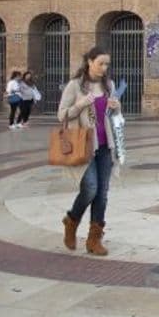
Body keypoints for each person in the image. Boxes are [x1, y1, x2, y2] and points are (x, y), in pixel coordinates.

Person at [58, 47, 121, 256]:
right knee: (91, 189)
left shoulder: (108, 85)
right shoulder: (75, 86)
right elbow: (62, 115)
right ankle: (72, 220)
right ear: (89, 62)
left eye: (107, 64)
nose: (104, 67)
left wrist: (117, 107)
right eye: (101, 63)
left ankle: (94, 240)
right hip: (84, 145)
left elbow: (113, 116)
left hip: (105, 146)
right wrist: (79, 105)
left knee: (102, 193)